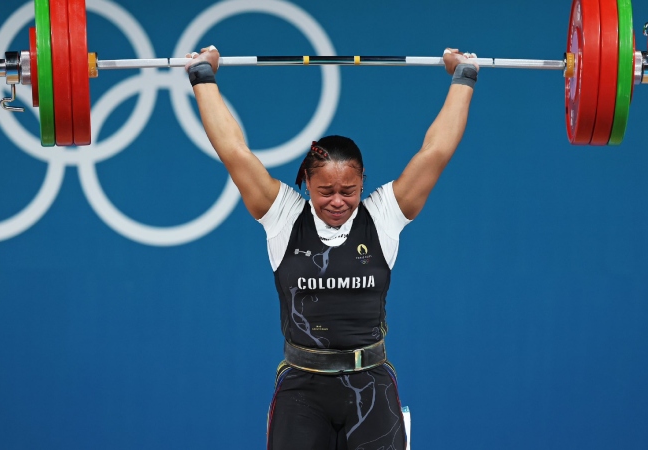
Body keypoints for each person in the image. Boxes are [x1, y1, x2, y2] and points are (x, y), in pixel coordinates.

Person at [185, 45, 478, 450]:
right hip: (302, 390)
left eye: (349, 190)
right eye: (325, 191)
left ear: (363, 184)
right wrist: (203, 76)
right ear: (305, 183)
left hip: (371, 387)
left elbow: (436, 151)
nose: (338, 201)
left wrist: (463, 77)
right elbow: (234, 152)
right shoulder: (284, 216)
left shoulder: (383, 217)